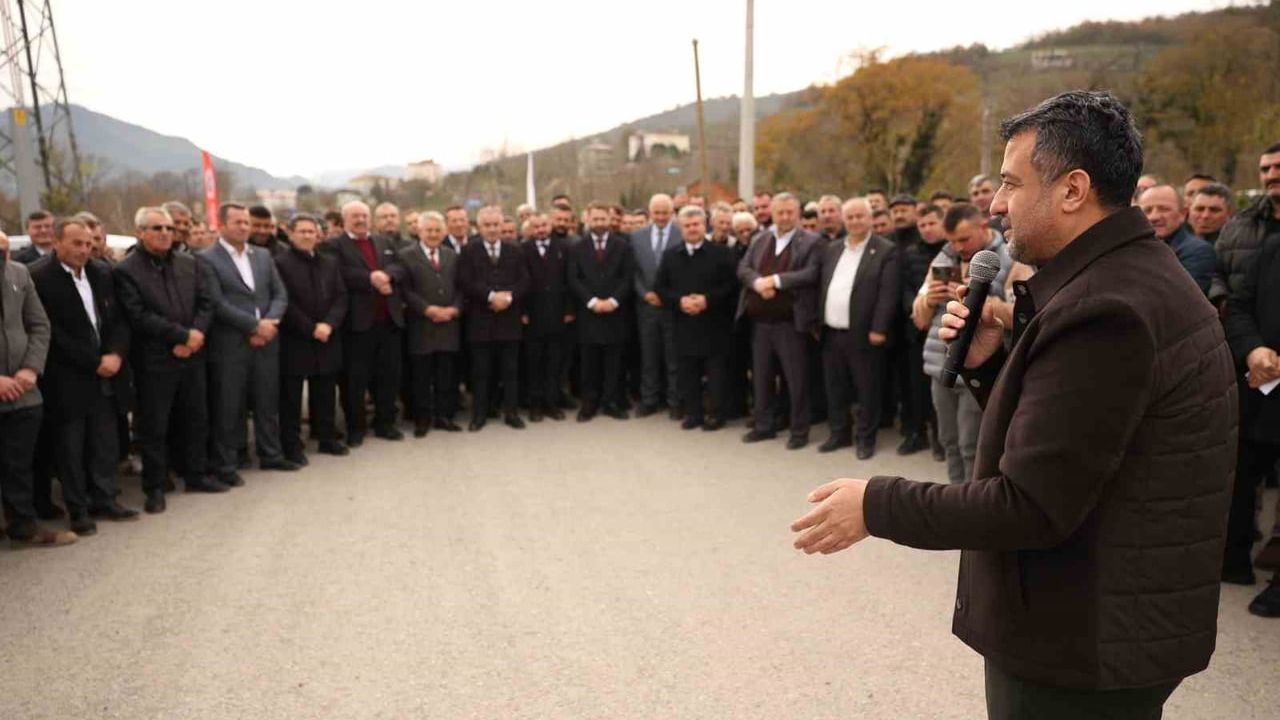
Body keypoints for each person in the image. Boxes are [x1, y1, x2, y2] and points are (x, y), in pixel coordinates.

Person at [791, 90, 1237, 718]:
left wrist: (876, 503)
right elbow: (1087, 439)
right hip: (1107, 622)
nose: (995, 204)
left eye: (1010, 183)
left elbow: (1029, 503)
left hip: (1081, 641)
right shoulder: (1127, 278)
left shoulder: (1107, 309)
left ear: (1073, 189)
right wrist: (994, 365)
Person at [30, 218, 139, 536]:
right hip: (68, 379)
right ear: (57, 243)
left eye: (89, 243)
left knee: (104, 443)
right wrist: (94, 361)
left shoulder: (102, 272)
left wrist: (116, 353)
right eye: (77, 243)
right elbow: (50, 332)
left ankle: (105, 498)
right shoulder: (40, 277)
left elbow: (118, 319)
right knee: (70, 449)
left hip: (107, 373)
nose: (84, 249)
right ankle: (78, 509)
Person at [115, 207, 224, 513]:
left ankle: (196, 474)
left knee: (195, 418)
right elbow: (138, 316)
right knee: (154, 426)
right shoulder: (126, 270)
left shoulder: (190, 263)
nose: (165, 233)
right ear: (140, 233)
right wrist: (180, 337)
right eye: (156, 228)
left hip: (192, 354)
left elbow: (207, 302)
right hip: (154, 360)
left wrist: (196, 335)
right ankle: (155, 486)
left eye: (168, 228)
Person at [913, 203, 1013, 485]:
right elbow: (918, 318)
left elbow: (1023, 315)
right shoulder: (942, 258)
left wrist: (979, 298)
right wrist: (929, 299)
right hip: (939, 365)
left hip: (980, 370)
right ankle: (954, 500)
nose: (957, 247)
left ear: (983, 226)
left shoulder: (1009, 256)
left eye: (964, 239)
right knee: (949, 442)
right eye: (952, 240)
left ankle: (970, 507)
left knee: (973, 447)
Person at [200, 203, 295, 484]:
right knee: (229, 406)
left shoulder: (263, 255)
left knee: (267, 401)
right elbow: (216, 303)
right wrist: (254, 326)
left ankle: (271, 455)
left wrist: (269, 323)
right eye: (237, 222)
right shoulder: (207, 259)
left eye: (246, 222)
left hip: (266, 341)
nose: (244, 227)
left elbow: (280, 294)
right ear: (222, 225)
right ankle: (227, 464)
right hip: (231, 344)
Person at [1223, 215, 1280, 616]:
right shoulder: (1272, 249)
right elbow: (1239, 306)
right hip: (1262, 386)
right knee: (1240, 474)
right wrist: (1253, 349)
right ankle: (1233, 560)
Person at [0, 230, 72, 546]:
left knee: (20, 464)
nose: (2, 256)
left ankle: (23, 526)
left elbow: (39, 325)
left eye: (4, 250)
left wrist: (30, 369)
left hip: (24, 389)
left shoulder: (19, 274)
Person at [816, 198, 900, 459]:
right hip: (832, 332)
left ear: (870, 218)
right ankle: (839, 433)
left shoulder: (885, 250)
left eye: (859, 216)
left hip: (864, 333)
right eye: (849, 217)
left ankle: (866, 438)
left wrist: (879, 328)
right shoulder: (831, 249)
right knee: (835, 387)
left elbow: (888, 294)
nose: (854, 221)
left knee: (867, 389)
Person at [737, 192, 822, 449]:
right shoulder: (760, 238)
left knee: (796, 380)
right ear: (772, 214)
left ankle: (799, 430)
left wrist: (775, 281)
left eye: (789, 212)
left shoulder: (811, 241)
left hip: (790, 323)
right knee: (761, 377)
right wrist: (756, 283)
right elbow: (744, 268)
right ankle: (764, 425)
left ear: (798, 213)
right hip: (760, 322)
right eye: (780, 212)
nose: (784, 217)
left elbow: (811, 273)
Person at [329, 200, 406, 445]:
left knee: (388, 377)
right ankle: (356, 428)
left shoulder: (384, 242)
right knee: (354, 380)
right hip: (357, 325)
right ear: (344, 220)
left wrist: (388, 275)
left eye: (364, 215)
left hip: (388, 322)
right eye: (355, 216)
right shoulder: (334, 246)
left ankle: (385, 424)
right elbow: (337, 273)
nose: (361, 220)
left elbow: (400, 266)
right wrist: (369, 278)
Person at [654, 206, 737, 431]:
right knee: (687, 372)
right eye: (687, 225)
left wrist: (707, 300)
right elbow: (660, 287)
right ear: (681, 228)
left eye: (696, 224)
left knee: (716, 374)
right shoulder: (671, 255)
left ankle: (716, 414)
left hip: (714, 323)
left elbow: (732, 287)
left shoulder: (722, 253)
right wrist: (680, 301)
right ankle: (694, 414)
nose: (692, 228)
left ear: (705, 225)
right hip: (684, 324)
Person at [275, 214, 349, 462]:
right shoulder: (280, 263)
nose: (308, 236)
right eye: (302, 231)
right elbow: (285, 302)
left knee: (325, 391)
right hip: (296, 338)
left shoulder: (329, 262)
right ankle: (292, 445)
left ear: (319, 235)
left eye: (312, 231)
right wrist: (310, 328)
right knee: (291, 397)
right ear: (291, 234)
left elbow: (341, 296)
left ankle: (326, 438)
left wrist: (329, 324)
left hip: (327, 336)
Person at [458, 206, 529, 431]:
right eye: (487, 225)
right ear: (479, 227)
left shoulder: (515, 250)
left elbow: (524, 280)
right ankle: (479, 414)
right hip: (481, 321)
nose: (492, 229)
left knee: (510, 370)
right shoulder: (469, 250)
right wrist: (490, 296)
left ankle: (511, 413)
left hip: (509, 320)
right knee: (481, 371)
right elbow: (465, 281)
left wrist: (509, 298)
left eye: (495, 225)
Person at [568, 203, 634, 421]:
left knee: (614, 362)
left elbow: (628, 277)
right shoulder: (577, 247)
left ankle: (611, 402)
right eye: (594, 219)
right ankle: (589, 403)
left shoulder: (623, 246)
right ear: (587, 220)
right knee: (589, 362)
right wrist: (592, 301)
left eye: (602, 219)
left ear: (609, 219)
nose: (599, 223)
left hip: (615, 312)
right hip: (589, 313)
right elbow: (574, 278)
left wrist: (613, 301)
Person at [399, 211, 462, 436]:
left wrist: (455, 309)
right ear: (419, 231)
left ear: (443, 232)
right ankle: (422, 419)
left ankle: (444, 416)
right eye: (429, 230)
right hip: (421, 324)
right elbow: (405, 290)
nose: (433, 234)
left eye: (437, 230)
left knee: (446, 374)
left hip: (448, 324)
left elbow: (461, 287)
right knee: (421, 377)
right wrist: (427, 309)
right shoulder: (406, 255)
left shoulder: (452, 255)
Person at [899, 205, 949, 461]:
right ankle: (915, 434)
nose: (928, 229)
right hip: (916, 330)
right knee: (915, 389)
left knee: (942, 391)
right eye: (923, 225)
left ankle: (942, 440)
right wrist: (915, 311)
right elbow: (905, 288)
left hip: (945, 329)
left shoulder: (951, 252)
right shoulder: (910, 254)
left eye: (932, 223)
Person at [1209, 143, 1280, 312]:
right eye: (1264, 169)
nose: (1271, 175)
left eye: (1279, 167)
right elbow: (1217, 272)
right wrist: (1220, 297)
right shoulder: (1237, 226)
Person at [632, 193, 683, 418]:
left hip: (672, 305)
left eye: (665, 213)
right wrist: (645, 294)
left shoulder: (681, 234)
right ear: (650, 213)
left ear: (672, 213)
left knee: (673, 355)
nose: (661, 217)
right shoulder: (637, 237)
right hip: (647, 306)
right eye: (657, 213)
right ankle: (649, 399)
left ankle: (675, 400)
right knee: (649, 355)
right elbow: (633, 272)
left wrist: (669, 296)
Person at [521, 213, 573, 422]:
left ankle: (551, 403)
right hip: (533, 316)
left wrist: (570, 310)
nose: (541, 229)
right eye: (537, 227)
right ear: (531, 229)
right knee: (534, 363)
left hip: (558, 314)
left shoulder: (564, 248)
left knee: (554, 363)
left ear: (550, 225)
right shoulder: (522, 250)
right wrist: (522, 311)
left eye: (544, 225)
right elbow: (521, 282)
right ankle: (535, 405)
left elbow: (570, 280)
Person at [1137, 184, 1216, 295]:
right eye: (1147, 211)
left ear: (1182, 214)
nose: (1154, 217)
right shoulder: (1131, 250)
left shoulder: (1198, 251)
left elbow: (1180, 297)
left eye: (1164, 209)